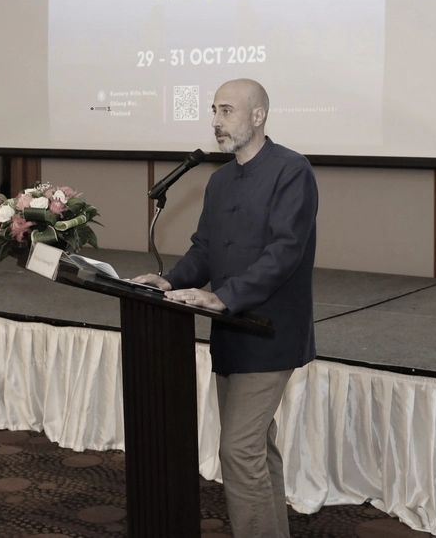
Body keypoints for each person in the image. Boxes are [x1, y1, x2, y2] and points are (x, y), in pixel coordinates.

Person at [132, 79, 316, 538]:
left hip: (271, 332)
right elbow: (204, 249)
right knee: (256, 450)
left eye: (227, 110)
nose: (216, 121)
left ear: (259, 116)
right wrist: (171, 280)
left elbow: (284, 252)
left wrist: (224, 296)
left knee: (238, 449)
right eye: (214, 110)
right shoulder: (218, 181)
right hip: (229, 333)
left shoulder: (292, 170)